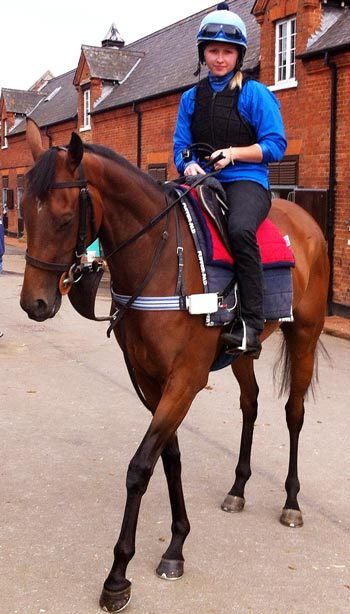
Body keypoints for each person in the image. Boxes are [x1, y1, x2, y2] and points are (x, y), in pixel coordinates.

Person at [173, 2, 287, 357]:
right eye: (213, 50)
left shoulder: (256, 94)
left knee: (239, 229)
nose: (219, 58)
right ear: (203, 53)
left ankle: (251, 324)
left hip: (246, 180)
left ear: (238, 55)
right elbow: (179, 147)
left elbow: (276, 145)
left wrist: (234, 153)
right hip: (201, 180)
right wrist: (187, 164)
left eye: (227, 51)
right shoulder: (189, 99)